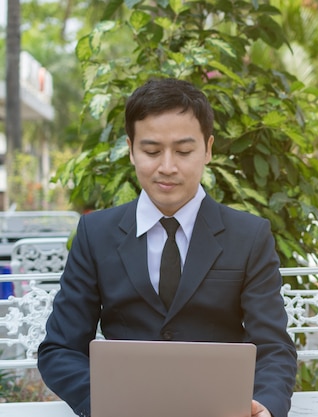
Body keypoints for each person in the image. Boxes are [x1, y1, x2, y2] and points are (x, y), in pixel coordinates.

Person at [38, 78, 298, 417]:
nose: (167, 167)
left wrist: (266, 405)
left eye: (184, 151)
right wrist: (104, 403)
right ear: (130, 149)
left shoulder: (249, 236)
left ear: (208, 149)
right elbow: (59, 348)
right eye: (151, 151)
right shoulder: (95, 233)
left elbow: (274, 347)